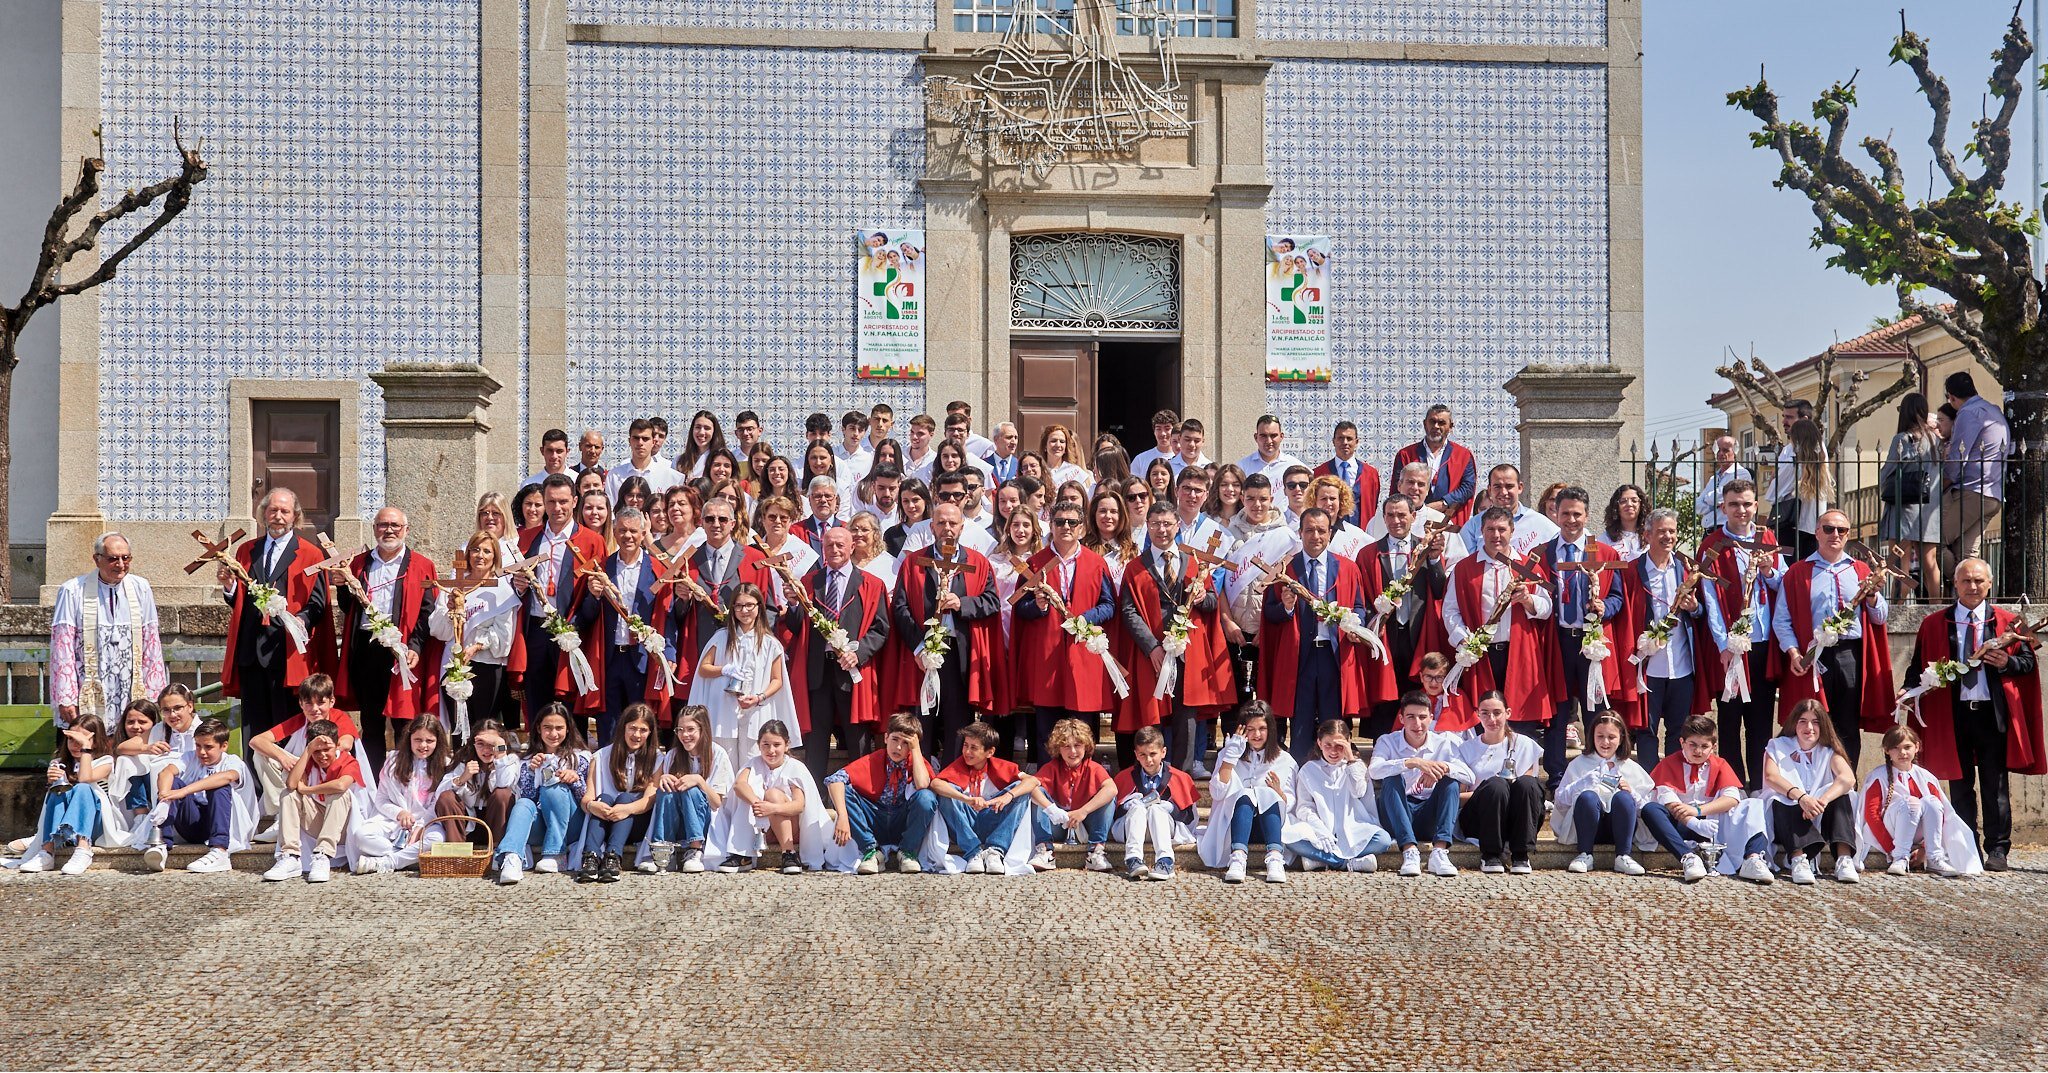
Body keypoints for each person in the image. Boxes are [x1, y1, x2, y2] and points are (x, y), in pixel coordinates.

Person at [1900, 557, 2042, 872]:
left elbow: (2028, 665)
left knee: (1995, 784)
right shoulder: (1935, 623)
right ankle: (1967, 846)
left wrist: (2007, 663)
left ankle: (1997, 849)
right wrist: (1908, 691)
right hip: (1953, 714)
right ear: (1955, 584)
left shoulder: (2008, 623)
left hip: (1993, 713)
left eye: (1979, 580)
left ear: (1989, 584)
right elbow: (1917, 667)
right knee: (1959, 783)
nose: (1973, 586)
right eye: (1966, 580)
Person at [1118, 500, 1233, 773]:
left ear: (1177, 526)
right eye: (1155, 524)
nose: (1161, 530)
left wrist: (1204, 596)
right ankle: (1149, 773)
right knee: (1151, 712)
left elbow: (1211, 605)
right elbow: (1128, 611)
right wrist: (1151, 647)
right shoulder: (1135, 567)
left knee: (1186, 714)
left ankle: (1181, 775)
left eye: (1167, 524)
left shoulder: (1193, 563)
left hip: (1186, 651)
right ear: (1147, 526)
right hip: (1153, 654)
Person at [1772, 508, 1893, 767]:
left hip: (1850, 654)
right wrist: (1793, 652)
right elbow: (1782, 620)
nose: (1835, 534)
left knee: (1847, 722)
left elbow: (1880, 617)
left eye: (1841, 530)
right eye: (1828, 529)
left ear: (1848, 535)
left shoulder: (1861, 571)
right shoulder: (1798, 572)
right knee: (1812, 720)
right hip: (1814, 655)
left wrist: (1871, 596)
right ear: (1817, 533)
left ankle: (1847, 787)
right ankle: (1814, 781)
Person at [219, 487, 331, 752]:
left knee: (285, 723)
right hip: (251, 651)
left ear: (295, 516)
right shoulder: (247, 551)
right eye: (273, 510)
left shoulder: (309, 553)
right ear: (263, 514)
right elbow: (240, 602)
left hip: (286, 652)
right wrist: (229, 587)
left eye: (285, 511)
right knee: (253, 727)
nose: (278, 516)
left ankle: (285, 784)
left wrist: (302, 619)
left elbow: (318, 603)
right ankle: (256, 790)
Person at [890, 504, 1003, 761]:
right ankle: (918, 779)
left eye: (953, 523)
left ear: (962, 527)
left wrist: (962, 603)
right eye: (941, 523)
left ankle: (953, 780)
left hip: (958, 653)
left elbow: (992, 601)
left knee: (958, 721)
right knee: (921, 721)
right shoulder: (914, 561)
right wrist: (919, 647)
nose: (947, 529)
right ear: (932, 527)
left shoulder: (977, 562)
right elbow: (900, 607)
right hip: (923, 653)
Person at [329, 506, 438, 773]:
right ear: (374, 529)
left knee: (405, 721)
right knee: (371, 720)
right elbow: (349, 608)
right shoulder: (358, 563)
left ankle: (407, 779)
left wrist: (415, 647)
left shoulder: (422, 565)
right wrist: (341, 587)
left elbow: (428, 613)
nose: (388, 530)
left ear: (406, 530)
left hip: (402, 650)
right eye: (382, 525)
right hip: (367, 649)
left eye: (395, 525)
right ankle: (374, 784)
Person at [1259, 508, 1372, 759]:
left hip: (1334, 655)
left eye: (1321, 530)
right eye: (1309, 530)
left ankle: (1334, 769)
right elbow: (1269, 613)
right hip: (1300, 657)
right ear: (1300, 533)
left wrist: (1354, 624)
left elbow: (1359, 607)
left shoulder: (1347, 568)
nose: (1315, 536)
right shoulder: (1285, 570)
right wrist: (1287, 606)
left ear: (1330, 533)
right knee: (1302, 721)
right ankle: (1300, 771)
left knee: (1333, 720)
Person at [1606, 507, 1717, 763]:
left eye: (1672, 531)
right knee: (1646, 729)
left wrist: (1695, 608)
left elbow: (1701, 613)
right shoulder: (1633, 570)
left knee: (1679, 730)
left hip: (1680, 663)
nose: (1667, 536)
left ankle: (1672, 785)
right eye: (1661, 531)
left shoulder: (1687, 569)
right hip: (1649, 666)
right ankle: (1648, 785)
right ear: (1647, 535)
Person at [1531, 486, 1623, 786]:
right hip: (1557, 640)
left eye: (1577, 514)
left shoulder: (1603, 552)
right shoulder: (1543, 553)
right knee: (1558, 711)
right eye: (1565, 513)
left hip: (1591, 641)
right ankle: (1557, 777)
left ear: (1587, 515)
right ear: (1555, 513)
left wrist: (1603, 606)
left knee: (1594, 708)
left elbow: (1618, 598)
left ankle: (1595, 770)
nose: (1571, 520)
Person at [1012, 502, 1118, 762]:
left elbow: (1109, 605)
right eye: (1060, 522)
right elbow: (1019, 608)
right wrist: (1036, 606)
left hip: (1082, 656)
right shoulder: (1035, 564)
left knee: (1083, 729)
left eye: (1072, 522)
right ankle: (1049, 787)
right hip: (1047, 659)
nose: (1066, 527)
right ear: (1051, 526)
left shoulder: (1096, 563)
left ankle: (1085, 784)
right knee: (1047, 730)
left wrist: (1084, 619)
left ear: (1082, 527)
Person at [789, 525, 892, 788]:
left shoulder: (871, 583)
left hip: (851, 672)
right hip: (818, 671)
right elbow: (796, 625)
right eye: (829, 545)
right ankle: (813, 796)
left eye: (839, 545)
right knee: (816, 739)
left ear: (851, 547)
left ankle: (859, 792)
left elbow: (880, 628)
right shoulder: (810, 582)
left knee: (856, 737)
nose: (834, 550)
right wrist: (792, 604)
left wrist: (859, 653)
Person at [1701, 478, 1786, 791]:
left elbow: (1785, 585)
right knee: (1729, 720)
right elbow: (1710, 597)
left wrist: (1768, 571)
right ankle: (1733, 787)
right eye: (1734, 504)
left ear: (1756, 506)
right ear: (1723, 507)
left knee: (1761, 721)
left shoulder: (1768, 537)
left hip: (1762, 643)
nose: (1741, 510)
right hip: (1731, 647)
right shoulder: (1713, 545)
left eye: (1747, 503)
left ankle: (1761, 787)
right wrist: (1725, 643)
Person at [1443, 507, 1556, 735]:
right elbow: (1450, 610)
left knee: (1519, 717)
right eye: (1490, 530)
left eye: (1502, 529)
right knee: (1484, 716)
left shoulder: (1528, 565)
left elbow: (1546, 608)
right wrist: (1465, 642)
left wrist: (1527, 599)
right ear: (1481, 532)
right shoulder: (1464, 568)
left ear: (1512, 531)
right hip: (1481, 655)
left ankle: (1520, 764)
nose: (1496, 535)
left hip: (1519, 651)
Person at [512, 474, 607, 726]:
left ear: (575, 501)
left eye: (563, 501)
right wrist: (518, 587)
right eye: (551, 501)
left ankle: (573, 755)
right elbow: (517, 585)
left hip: (573, 629)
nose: (557, 508)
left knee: (570, 700)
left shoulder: (591, 541)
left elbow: (596, 591)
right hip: (535, 628)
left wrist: (578, 623)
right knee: (536, 697)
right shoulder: (528, 539)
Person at [1357, 492, 1450, 740]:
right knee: (1386, 693)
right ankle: (1382, 748)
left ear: (1413, 515)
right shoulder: (1368, 554)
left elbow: (1440, 589)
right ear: (1383, 518)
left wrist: (1433, 561)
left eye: (1402, 514)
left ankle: (1418, 742)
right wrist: (1374, 617)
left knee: (1415, 690)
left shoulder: (1426, 547)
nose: (1396, 520)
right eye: (1390, 515)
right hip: (1386, 633)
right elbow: (1361, 597)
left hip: (1417, 630)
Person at [51, 532, 168, 729]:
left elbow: (151, 642)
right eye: (113, 558)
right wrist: (66, 696)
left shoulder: (141, 587)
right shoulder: (72, 590)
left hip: (130, 686)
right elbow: (62, 648)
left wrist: (155, 693)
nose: (121, 564)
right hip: (87, 687)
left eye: (126, 558)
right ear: (97, 559)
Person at [1641, 715, 1772, 883]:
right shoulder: (1668, 763)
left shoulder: (1720, 764)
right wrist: (1694, 822)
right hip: (1681, 824)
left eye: (1704, 746)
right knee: (1651, 810)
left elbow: (1731, 798)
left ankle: (1753, 859)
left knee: (1755, 805)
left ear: (1713, 747)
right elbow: (1671, 803)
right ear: (1682, 742)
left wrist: (1698, 811)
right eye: (1693, 745)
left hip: (1712, 825)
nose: (1698, 751)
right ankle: (1688, 857)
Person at [588, 507, 677, 746]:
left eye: (633, 531)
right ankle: (609, 774)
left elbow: (668, 615)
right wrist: (593, 596)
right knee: (609, 724)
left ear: (643, 533)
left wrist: (668, 651)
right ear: (614, 533)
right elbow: (587, 615)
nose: (628, 536)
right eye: (622, 531)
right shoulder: (601, 567)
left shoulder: (657, 569)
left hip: (641, 658)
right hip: (609, 657)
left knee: (640, 722)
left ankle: (640, 775)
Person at [689, 582, 799, 771]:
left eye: (749, 605)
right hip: (725, 710)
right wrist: (724, 669)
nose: (744, 610)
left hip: (756, 709)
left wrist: (759, 697)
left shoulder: (769, 643)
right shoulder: (722, 636)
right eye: (739, 606)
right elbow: (704, 668)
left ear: (759, 607)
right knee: (725, 764)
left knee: (753, 764)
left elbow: (777, 680)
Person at [1367, 692, 1470, 878]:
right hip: (1396, 811)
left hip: (1428, 813)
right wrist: (1411, 762)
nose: (1417, 723)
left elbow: (1469, 775)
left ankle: (1439, 852)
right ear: (1401, 719)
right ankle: (1409, 850)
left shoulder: (1445, 741)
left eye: (1423, 717)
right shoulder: (1387, 741)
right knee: (1392, 778)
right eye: (1411, 717)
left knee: (1451, 782)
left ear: (1431, 718)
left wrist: (1442, 768)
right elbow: (1374, 771)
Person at [429, 531, 521, 737]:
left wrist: (477, 646)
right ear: (467, 553)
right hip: (454, 665)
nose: (480, 555)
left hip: (487, 667)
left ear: (495, 557)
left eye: (487, 551)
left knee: (484, 728)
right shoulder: (453, 587)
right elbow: (437, 630)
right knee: (458, 728)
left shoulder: (503, 591)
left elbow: (504, 638)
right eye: (475, 549)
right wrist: (449, 611)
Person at [1854, 726, 1978, 877]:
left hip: (1919, 833)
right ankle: (1900, 858)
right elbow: (1871, 814)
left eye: (1907, 747)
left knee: (1932, 802)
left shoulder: (1926, 777)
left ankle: (1934, 857)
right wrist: (1891, 849)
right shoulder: (1877, 776)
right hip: (1891, 829)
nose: (1902, 753)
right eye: (1895, 748)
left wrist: (1924, 849)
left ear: (1917, 747)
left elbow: (1941, 813)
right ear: (1886, 750)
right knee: (1911, 802)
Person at [1762, 699, 1861, 884]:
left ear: (1823, 725)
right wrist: (1802, 798)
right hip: (1785, 815)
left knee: (1843, 794)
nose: (1809, 727)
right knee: (1780, 796)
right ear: (1793, 723)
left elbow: (1848, 778)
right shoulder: (1778, 745)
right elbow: (1771, 777)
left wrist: (1821, 801)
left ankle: (1844, 858)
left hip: (1819, 813)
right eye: (1803, 721)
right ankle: (1798, 859)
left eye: (1815, 722)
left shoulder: (1828, 750)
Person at [825, 713, 938, 874]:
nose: (898, 748)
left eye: (905, 743)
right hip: (875, 817)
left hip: (902, 820)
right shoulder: (875, 758)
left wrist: (916, 749)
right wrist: (842, 816)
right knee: (846, 791)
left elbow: (922, 784)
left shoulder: (916, 761)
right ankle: (871, 852)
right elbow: (834, 780)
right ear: (885, 738)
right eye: (894, 740)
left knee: (926, 797)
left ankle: (907, 851)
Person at [1199, 704, 1299, 884]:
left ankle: (1275, 858)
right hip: (1234, 827)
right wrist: (1229, 760)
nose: (1257, 735)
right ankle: (1237, 858)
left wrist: (1278, 793)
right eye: (1251, 729)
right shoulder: (1228, 754)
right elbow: (1217, 793)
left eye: (1262, 729)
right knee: (1245, 794)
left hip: (1269, 829)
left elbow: (1291, 804)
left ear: (1271, 730)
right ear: (1242, 731)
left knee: (1267, 794)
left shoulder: (1285, 760)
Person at [144, 716, 257, 874]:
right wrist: (165, 794)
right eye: (198, 746)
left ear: (223, 746)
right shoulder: (190, 756)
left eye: (208, 747)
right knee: (173, 783)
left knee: (219, 787)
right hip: (193, 822)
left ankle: (220, 851)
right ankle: (161, 844)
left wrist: (184, 791)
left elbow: (228, 776)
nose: (202, 752)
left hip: (224, 824)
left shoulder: (233, 761)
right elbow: (167, 771)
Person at [494, 703, 590, 882]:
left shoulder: (581, 757)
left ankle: (556, 855)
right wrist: (531, 772)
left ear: (568, 729)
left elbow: (588, 800)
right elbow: (528, 802)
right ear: (538, 728)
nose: (553, 734)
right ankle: (512, 858)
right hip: (542, 827)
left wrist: (575, 780)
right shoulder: (526, 760)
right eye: (547, 728)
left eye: (559, 728)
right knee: (523, 803)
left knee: (553, 788)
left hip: (572, 825)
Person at [261, 719, 364, 884]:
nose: (322, 755)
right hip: (317, 820)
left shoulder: (348, 761)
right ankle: (290, 856)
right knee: (288, 794)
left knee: (340, 794)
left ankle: (323, 855)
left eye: (327, 749)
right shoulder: (309, 759)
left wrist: (308, 790)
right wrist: (308, 751)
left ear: (337, 746)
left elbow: (341, 785)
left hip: (343, 828)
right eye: (317, 751)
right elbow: (292, 784)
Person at [930, 721, 1040, 874]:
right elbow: (935, 783)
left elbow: (1033, 781)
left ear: (989, 752)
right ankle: (973, 852)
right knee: (947, 793)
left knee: (1021, 791)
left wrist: (1008, 796)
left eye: (973, 748)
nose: (967, 752)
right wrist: (966, 799)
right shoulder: (959, 764)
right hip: (965, 823)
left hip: (993, 818)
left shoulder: (1000, 766)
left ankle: (995, 850)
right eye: (965, 745)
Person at [1551, 711, 1652, 876]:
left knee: (1623, 798)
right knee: (1588, 797)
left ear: (1621, 738)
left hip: (1621, 829)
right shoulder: (1579, 763)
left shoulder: (1631, 767)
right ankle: (1585, 854)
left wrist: (1632, 792)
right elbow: (1560, 802)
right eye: (1600, 736)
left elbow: (1645, 808)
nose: (1605, 742)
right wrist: (1581, 783)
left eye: (1611, 737)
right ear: (1592, 737)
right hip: (1587, 827)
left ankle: (1623, 855)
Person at [9, 715, 114, 875]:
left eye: (81, 739)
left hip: (95, 826)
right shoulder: (59, 762)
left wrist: (86, 748)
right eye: (71, 739)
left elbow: (85, 778)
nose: (75, 745)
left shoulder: (105, 761)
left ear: (96, 740)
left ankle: (83, 850)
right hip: (64, 830)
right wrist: (52, 780)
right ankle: (47, 852)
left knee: (83, 788)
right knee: (58, 789)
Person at [1288, 719, 1394, 873]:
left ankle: (1322, 860)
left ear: (1348, 742)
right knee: (1291, 838)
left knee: (1383, 840)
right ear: (1319, 743)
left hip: (1353, 827)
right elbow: (1304, 807)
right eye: (1328, 745)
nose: (1333, 751)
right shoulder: (1308, 770)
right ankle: (1346, 863)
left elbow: (1358, 791)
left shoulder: (1357, 766)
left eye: (1339, 746)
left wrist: (1351, 759)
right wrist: (1320, 830)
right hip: (1320, 829)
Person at [1454, 692, 1544, 874]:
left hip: (1518, 818)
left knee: (1527, 783)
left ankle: (1521, 854)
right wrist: (1487, 790)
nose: (1491, 719)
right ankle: (1490, 854)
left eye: (1497, 712)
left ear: (1508, 713)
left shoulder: (1525, 745)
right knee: (1496, 785)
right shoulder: (1466, 750)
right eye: (1485, 713)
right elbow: (1458, 797)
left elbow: (1528, 791)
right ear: (1477, 714)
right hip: (1481, 818)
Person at [356, 716, 459, 874]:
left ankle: (390, 862)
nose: (423, 745)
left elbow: (436, 804)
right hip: (393, 822)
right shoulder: (393, 762)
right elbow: (381, 800)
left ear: (438, 741)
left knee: (436, 840)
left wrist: (420, 826)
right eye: (418, 739)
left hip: (428, 822)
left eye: (429, 741)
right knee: (361, 836)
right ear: (409, 738)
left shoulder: (445, 765)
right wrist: (400, 813)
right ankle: (408, 858)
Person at [578, 703, 665, 881]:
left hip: (636, 822)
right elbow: (588, 796)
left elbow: (649, 799)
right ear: (623, 727)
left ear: (650, 733)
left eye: (643, 730)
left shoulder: (657, 758)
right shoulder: (601, 756)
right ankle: (591, 858)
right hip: (605, 820)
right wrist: (593, 805)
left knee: (625, 797)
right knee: (604, 797)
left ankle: (613, 857)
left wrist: (626, 809)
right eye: (632, 728)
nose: (637, 735)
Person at [1027, 717, 1116, 872]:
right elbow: (1032, 788)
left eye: (1077, 745)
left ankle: (1096, 851)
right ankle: (1045, 850)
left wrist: (1083, 811)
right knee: (1037, 792)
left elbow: (1112, 789)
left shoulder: (1093, 767)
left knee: (1108, 797)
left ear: (1086, 746)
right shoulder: (1052, 767)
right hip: (1059, 823)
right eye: (1066, 746)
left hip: (1087, 824)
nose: (1073, 751)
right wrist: (1051, 809)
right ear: (1058, 748)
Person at [1878, 393, 1944, 600]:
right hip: (1929, 508)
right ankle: (1937, 607)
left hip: (1904, 508)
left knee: (1900, 565)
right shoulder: (1936, 441)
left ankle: (1897, 608)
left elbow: (1888, 472)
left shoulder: (1903, 439)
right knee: (1930, 563)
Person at [1112, 725, 1197, 881]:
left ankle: (1165, 861)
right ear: (1136, 755)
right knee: (1137, 809)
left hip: (1164, 829)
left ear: (1163, 752)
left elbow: (1191, 818)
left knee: (1156, 810)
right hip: (1132, 828)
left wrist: (1171, 809)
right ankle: (1133, 859)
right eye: (1142, 755)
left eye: (1153, 754)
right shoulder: (1123, 777)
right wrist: (1126, 806)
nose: (1148, 760)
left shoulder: (1181, 777)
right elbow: (1112, 814)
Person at [1941, 371, 2010, 566]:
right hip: (1994, 493)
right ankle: (1969, 593)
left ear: (1952, 397)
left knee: (1931, 543)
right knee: (1967, 554)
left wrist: (1940, 485)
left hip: (1973, 492)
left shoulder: (1967, 413)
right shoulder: (1993, 410)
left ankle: (1959, 588)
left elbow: (1957, 458)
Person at [1390, 404, 1479, 526]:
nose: (1436, 426)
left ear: (1450, 427)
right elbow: (1397, 488)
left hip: (1447, 519)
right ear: (1425, 424)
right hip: (1412, 520)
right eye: (1432, 421)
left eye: (1441, 422)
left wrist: (1444, 503)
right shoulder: (1406, 454)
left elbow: (1468, 487)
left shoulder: (1463, 455)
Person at [1455, 464, 1559, 560]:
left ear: (1520, 487)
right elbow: (1463, 563)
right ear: (1489, 489)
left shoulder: (1540, 523)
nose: (1504, 492)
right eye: (1497, 487)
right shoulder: (1473, 526)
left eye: (1509, 486)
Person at [444, 719, 519, 851]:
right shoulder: (463, 761)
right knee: (447, 797)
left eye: (492, 744)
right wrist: (462, 779)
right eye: (480, 744)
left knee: (502, 793)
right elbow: (441, 793)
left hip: (498, 823)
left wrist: (500, 751)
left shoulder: (510, 761)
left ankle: (498, 850)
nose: (486, 750)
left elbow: (504, 784)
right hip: (468, 825)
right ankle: (456, 852)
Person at [1314, 420, 1380, 528]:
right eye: (1340, 438)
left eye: (1349, 439)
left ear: (1356, 442)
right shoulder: (1319, 473)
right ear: (1333, 441)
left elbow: (1373, 504)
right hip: (1329, 532)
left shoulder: (1371, 474)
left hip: (1362, 533)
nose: (1345, 442)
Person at [607, 417, 683, 499]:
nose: (640, 443)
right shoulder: (614, 476)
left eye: (645, 439)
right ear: (629, 441)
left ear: (653, 442)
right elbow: (610, 509)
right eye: (636, 438)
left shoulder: (672, 477)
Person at [1692, 435, 1753, 530]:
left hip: (1726, 529)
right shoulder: (1714, 478)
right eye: (1718, 450)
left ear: (1735, 452)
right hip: (1709, 530)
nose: (1721, 453)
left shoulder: (1740, 474)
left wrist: (1708, 499)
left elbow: (1723, 496)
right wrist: (1712, 506)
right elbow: (1697, 505)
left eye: (1725, 450)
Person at [1238, 414, 1306, 482]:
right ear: (1256, 437)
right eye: (1263, 436)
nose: (1269, 441)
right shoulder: (1243, 467)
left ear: (1281, 437)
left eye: (1273, 435)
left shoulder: (1294, 465)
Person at [672, 410, 726, 483]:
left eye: (707, 428)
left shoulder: (722, 460)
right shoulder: (679, 461)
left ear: (714, 432)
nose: (701, 432)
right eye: (698, 427)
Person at [1600, 484, 1649, 561]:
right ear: (1616, 506)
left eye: (1634, 500)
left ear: (1641, 504)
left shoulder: (1650, 536)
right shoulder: (1605, 538)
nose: (1629, 504)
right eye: (1623, 501)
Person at [1129, 409, 1180, 478]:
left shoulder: (1182, 459)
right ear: (1154, 432)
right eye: (1158, 429)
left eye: (1167, 428)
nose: (1163, 433)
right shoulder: (1140, 459)